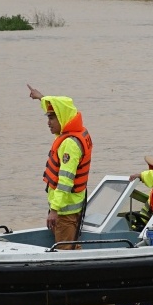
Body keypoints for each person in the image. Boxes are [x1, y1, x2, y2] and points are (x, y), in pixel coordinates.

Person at [28, 83, 92, 250]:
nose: (48, 123)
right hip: (73, 206)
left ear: (62, 118)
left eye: (51, 118)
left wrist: (55, 210)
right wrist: (41, 97)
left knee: (65, 252)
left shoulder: (69, 144)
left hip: (65, 211)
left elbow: (65, 181)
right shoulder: (77, 131)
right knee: (72, 247)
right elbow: (61, 107)